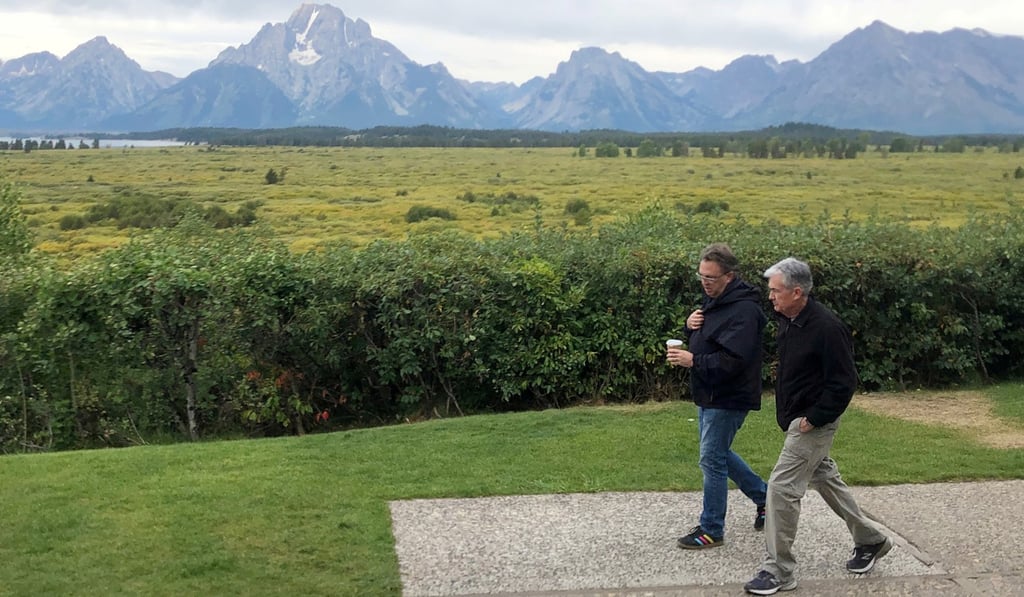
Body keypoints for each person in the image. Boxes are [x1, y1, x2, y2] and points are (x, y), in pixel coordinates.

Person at [743, 257, 891, 595]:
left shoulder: (827, 327)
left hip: (812, 424)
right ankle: (871, 540)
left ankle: (779, 570)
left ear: (797, 292)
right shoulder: (788, 319)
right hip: (797, 419)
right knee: (825, 478)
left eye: (776, 291)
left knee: (781, 488)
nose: (770, 297)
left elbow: (844, 382)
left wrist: (814, 418)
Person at [666, 243, 768, 550]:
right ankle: (766, 499)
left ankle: (712, 529)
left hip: (729, 395)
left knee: (711, 459)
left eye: (710, 277)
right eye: (701, 276)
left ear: (729, 276)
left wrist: (692, 360)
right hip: (709, 392)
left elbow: (734, 360)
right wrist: (690, 327)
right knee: (718, 454)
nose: (705, 283)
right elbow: (708, 338)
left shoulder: (745, 311)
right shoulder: (715, 300)